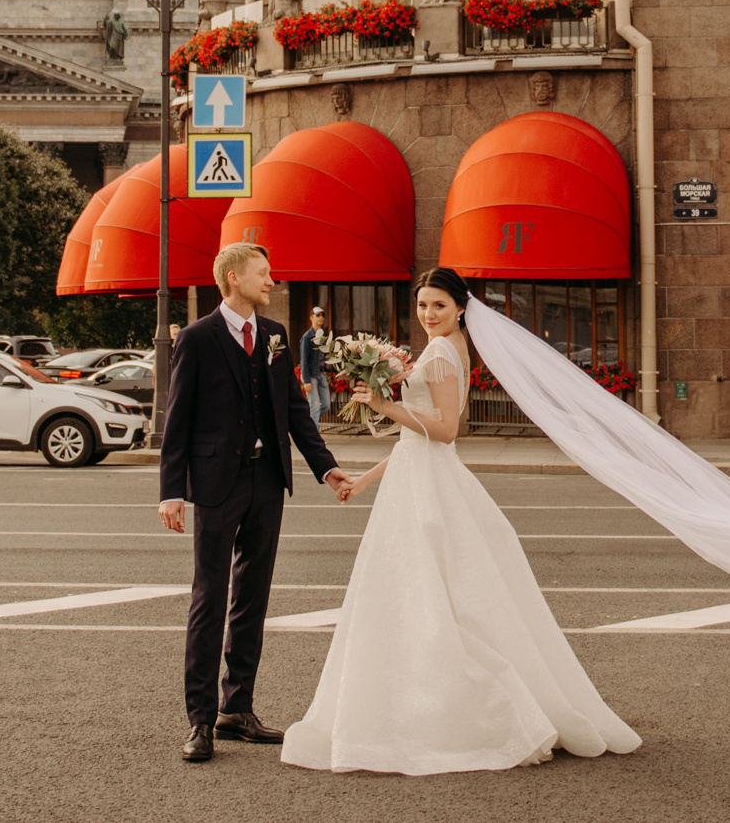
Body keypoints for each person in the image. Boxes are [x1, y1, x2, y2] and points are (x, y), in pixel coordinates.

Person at [285, 268, 640, 774]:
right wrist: (363, 480)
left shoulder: (443, 351)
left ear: (460, 309)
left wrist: (387, 404)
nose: (428, 314)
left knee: (433, 595)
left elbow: (446, 431)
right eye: (423, 305)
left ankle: (448, 714)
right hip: (419, 478)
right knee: (434, 595)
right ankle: (427, 705)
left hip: (432, 487)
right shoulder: (443, 349)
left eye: (438, 306)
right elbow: (417, 442)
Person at [158, 242, 347, 763]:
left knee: (253, 597)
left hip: (267, 481)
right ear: (234, 277)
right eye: (263, 273)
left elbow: (293, 410)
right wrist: (172, 490)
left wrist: (325, 467)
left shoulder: (275, 336)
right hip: (216, 482)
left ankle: (237, 709)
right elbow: (178, 418)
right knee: (209, 598)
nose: (272, 280)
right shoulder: (196, 339)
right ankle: (199, 721)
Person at [300, 304, 332, 424]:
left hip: (321, 374)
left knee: (326, 405)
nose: (321, 318)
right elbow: (303, 360)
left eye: (323, 315)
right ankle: (314, 440)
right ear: (311, 318)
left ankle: (307, 424)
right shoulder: (307, 337)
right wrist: (306, 381)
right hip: (311, 376)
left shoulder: (323, 335)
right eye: (317, 315)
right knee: (314, 409)